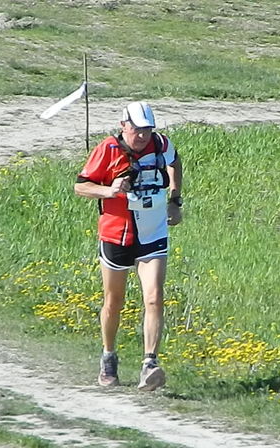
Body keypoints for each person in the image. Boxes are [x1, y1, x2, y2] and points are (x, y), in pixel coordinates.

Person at [74, 101, 183, 391]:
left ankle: (150, 363)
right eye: (137, 130)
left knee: (154, 297)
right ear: (124, 125)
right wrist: (109, 190)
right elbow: (81, 186)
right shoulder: (107, 150)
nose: (143, 136)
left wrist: (175, 199)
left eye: (147, 130)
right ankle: (108, 357)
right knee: (114, 301)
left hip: (153, 232)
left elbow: (175, 162)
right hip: (116, 234)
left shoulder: (160, 145)